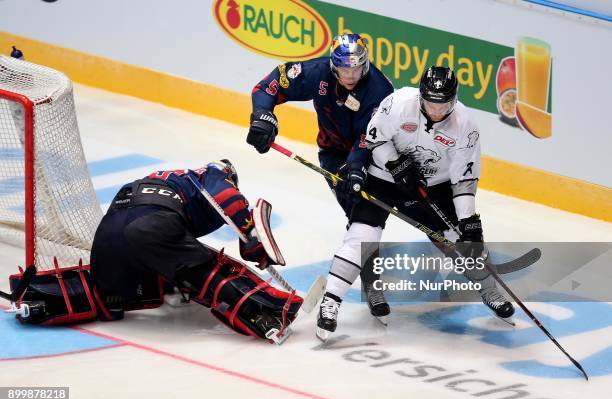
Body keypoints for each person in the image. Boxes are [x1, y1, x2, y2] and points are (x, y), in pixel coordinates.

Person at [316, 66, 515, 341]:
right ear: (421, 96)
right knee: (362, 237)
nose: (435, 110)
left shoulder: (465, 125)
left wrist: (468, 221)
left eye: (442, 103)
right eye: (430, 102)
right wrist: (395, 163)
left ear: (453, 100)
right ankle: (331, 302)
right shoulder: (398, 103)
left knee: (457, 239)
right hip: (383, 177)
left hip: (434, 186)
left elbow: (464, 178)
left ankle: (489, 289)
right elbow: (374, 139)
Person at [7, 160, 302, 343]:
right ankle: (268, 312)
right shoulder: (212, 173)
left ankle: (38, 300)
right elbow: (228, 197)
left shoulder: (163, 179)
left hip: (109, 236)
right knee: (207, 265)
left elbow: (144, 234)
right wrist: (251, 237)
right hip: (152, 225)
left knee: (107, 290)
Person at [246, 33, 395, 319]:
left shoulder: (380, 90)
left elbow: (373, 136)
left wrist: (357, 165)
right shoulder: (317, 72)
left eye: (356, 68)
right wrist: (263, 116)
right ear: (333, 65)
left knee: (366, 216)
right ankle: (370, 278)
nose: (351, 75)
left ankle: (370, 279)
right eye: (344, 69)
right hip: (333, 156)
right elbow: (269, 85)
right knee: (358, 216)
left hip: (374, 156)